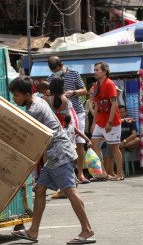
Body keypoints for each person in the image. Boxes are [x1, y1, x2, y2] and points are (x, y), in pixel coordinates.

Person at [8, 76, 95, 244]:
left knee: (70, 190)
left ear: (27, 94)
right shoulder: (37, 101)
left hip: (59, 153)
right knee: (40, 191)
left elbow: (25, 136)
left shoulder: (35, 110)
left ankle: (87, 230)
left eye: (17, 95)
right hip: (55, 154)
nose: (15, 99)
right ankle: (33, 231)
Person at [47, 56, 89, 184]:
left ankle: (80, 173)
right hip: (61, 115)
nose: (55, 73)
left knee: (79, 143)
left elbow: (85, 91)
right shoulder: (50, 78)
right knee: (66, 144)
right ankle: (70, 175)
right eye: (53, 71)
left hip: (77, 112)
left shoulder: (74, 73)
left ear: (62, 65)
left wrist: (74, 92)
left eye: (57, 70)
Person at [90, 62, 124, 181]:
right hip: (100, 122)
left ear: (104, 72)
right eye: (94, 70)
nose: (95, 72)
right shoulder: (96, 86)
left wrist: (110, 122)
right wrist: (94, 123)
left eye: (97, 70)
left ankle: (119, 174)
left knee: (115, 148)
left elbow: (114, 103)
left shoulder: (109, 84)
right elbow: (96, 106)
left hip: (112, 122)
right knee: (94, 145)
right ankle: (103, 172)